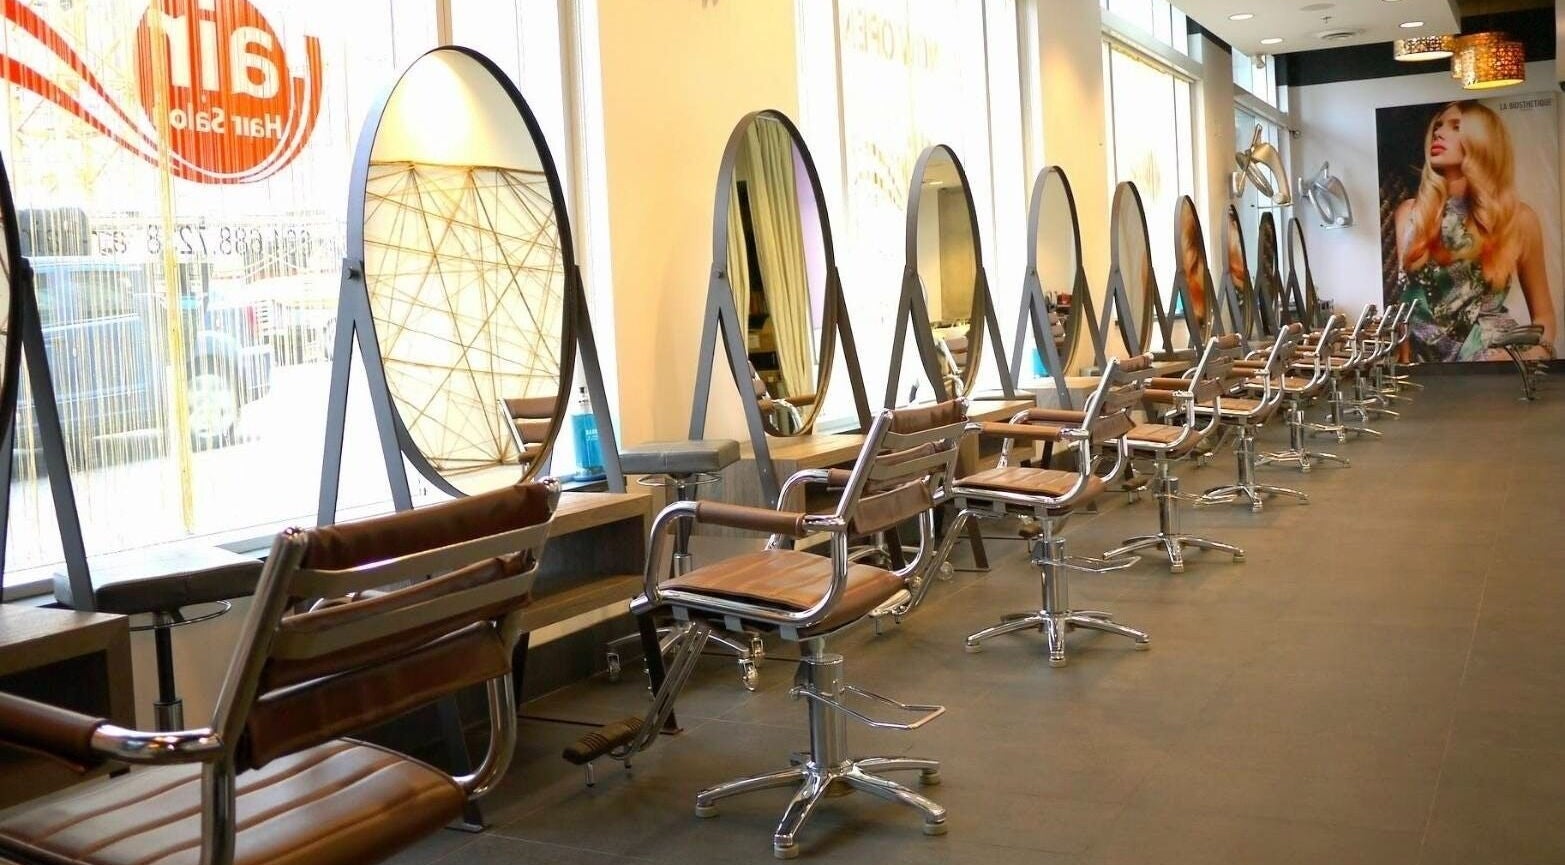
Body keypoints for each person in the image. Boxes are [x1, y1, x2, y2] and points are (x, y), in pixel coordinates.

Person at [1394, 100, 1556, 362]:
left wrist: (1534, 353)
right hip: (1423, 364)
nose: (1439, 133)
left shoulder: (1518, 218)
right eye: (1438, 126)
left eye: (1456, 127)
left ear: (1482, 141)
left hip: (1489, 358)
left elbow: (1544, 314)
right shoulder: (1410, 214)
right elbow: (1407, 300)